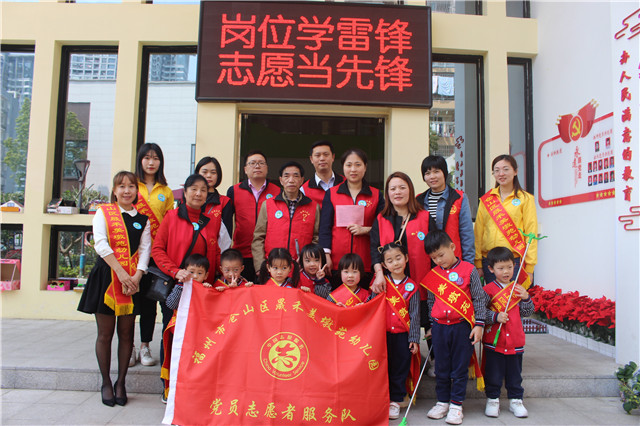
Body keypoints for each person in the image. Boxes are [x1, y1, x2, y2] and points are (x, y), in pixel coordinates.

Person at [77, 171, 151, 407]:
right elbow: (100, 243)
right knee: (105, 334)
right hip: (107, 277)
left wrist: (137, 276)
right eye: (122, 186)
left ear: (136, 191)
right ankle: (106, 382)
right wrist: (121, 273)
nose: (127, 190)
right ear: (115, 191)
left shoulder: (143, 219)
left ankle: (121, 382)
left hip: (132, 281)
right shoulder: (104, 212)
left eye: (131, 186)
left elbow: (145, 250)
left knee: (127, 334)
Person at [151, 173, 223, 398]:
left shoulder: (210, 222)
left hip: (201, 293)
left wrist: (227, 277)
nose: (199, 193)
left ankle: (192, 386)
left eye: (203, 190)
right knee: (172, 335)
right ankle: (169, 386)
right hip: (176, 288)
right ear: (185, 192)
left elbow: (215, 254)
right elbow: (157, 250)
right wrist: (175, 271)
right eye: (194, 189)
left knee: (197, 339)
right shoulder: (171, 217)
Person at [421, 230, 487, 425]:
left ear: (452, 247)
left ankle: (456, 405)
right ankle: (442, 402)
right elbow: (431, 302)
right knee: (441, 367)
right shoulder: (434, 275)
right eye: (434, 258)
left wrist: (479, 324)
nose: (438, 261)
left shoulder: (469, 270)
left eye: (441, 255)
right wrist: (432, 325)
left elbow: (478, 298)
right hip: (440, 328)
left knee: (459, 367)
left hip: (461, 327)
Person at [132, 143, 174, 368]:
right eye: (147, 158)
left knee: (149, 301)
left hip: (154, 254)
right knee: (130, 302)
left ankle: (145, 345)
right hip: (131, 253)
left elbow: (168, 225)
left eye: (155, 158)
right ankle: (128, 346)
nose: (151, 162)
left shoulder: (165, 191)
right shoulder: (131, 185)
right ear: (140, 160)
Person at [482, 247, 534, 419]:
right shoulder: (488, 290)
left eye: (509, 267)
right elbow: (480, 313)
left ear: (514, 266)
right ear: (491, 269)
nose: (506, 272)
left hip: (515, 341)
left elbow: (527, 312)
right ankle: (493, 399)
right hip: (494, 341)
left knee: (515, 374)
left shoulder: (518, 289)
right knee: (493, 373)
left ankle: (516, 400)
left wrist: (526, 298)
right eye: (501, 268)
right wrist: (495, 317)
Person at [370, 242, 420, 420]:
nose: (395, 263)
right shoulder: (380, 283)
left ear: (406, 258)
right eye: (390, 261)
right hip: (382, 335)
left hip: (402, 336)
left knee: (400, 368)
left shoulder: (412, 287)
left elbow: (415, 315)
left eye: (398, 258)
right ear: (384, 265)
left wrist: (414, 338)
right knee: (382, 367)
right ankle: (381, 397)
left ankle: (396, 400)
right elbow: (371, 307)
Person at [319, 148, 384, 280]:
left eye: (358, 165)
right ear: (343, 167)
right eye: (349, 165)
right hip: (337, 262)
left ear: (365, 167)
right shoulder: (332, 194)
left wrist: (366, 230)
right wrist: (326, 256)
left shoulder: (376, 195)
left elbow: (384, 227)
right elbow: (325, 228)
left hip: (365, 262)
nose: (353, 169)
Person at [474, 155, 538, 285]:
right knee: (492, 296)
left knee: (513, 297)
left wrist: (530, 267)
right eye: (496, 170)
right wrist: (478, 263)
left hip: (513, 261)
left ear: (515, 171)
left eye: (506, 169)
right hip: (489, 261)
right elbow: (478, 232)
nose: (501, 174)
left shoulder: (525, 199)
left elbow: (531, 233)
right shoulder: (487, 199)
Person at [252, 161, 320, 271]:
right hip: (273, 268)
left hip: (301, 269)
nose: (291, 180)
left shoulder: (313, 207)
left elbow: (316, 239)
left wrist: (308, 263)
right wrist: (261, 267)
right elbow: (258, 238)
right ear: (281, 180)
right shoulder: (268, 205)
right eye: (286, 176)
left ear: (302, 180)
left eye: (296, 176)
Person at [370, 172, 430, 295]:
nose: (397, 192)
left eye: (402, 188)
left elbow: (434, 250)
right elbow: (375, 251)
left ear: (410, 190)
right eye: (393, 189)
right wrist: (379, 274)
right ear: (388, 194)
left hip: (422, 282)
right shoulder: (381, 219)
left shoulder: (425, 217)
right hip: (390, 285)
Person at [161, 253, 210, 403]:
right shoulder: (181, 286)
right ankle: (174, 393)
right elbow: (170, 304)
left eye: (199, 273)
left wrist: (210, 291)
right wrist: (180, 286)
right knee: (179, 363)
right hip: (181, 333)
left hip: (199, 335)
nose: (194, 276)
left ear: (206, 275)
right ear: (184, 271)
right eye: (191, 272)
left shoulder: (207, 288)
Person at [226, 150, 280, 281]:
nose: (257, 166)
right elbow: (226, 223)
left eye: (261, 163)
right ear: (245, 169)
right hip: (241, 254)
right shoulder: (234, 190)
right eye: (252, 163)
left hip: (267, 254)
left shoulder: (277, 191)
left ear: (267, 168)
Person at [416, 155, 474, 264]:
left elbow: (467, 234)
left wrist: (468, 265)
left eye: (436, 171)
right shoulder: (418, 200)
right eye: (427, 173)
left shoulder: (459, 198)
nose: (432, 176)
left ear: (444, 173)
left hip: (453, 260)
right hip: (427, 261)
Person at [195, 156, 233, 252]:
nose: (209, 176)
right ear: (197, 174)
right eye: (204, 172)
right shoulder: (188, 199)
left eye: (213, 172)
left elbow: (226, 238)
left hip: (214, 253)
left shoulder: (225, 202)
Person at [301, 140, 344, 206]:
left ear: (333, 157)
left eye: (326, 155)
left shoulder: (346, 183)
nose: (322, 158)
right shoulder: (304, 190)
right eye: (317, 155)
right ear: (311, 159)